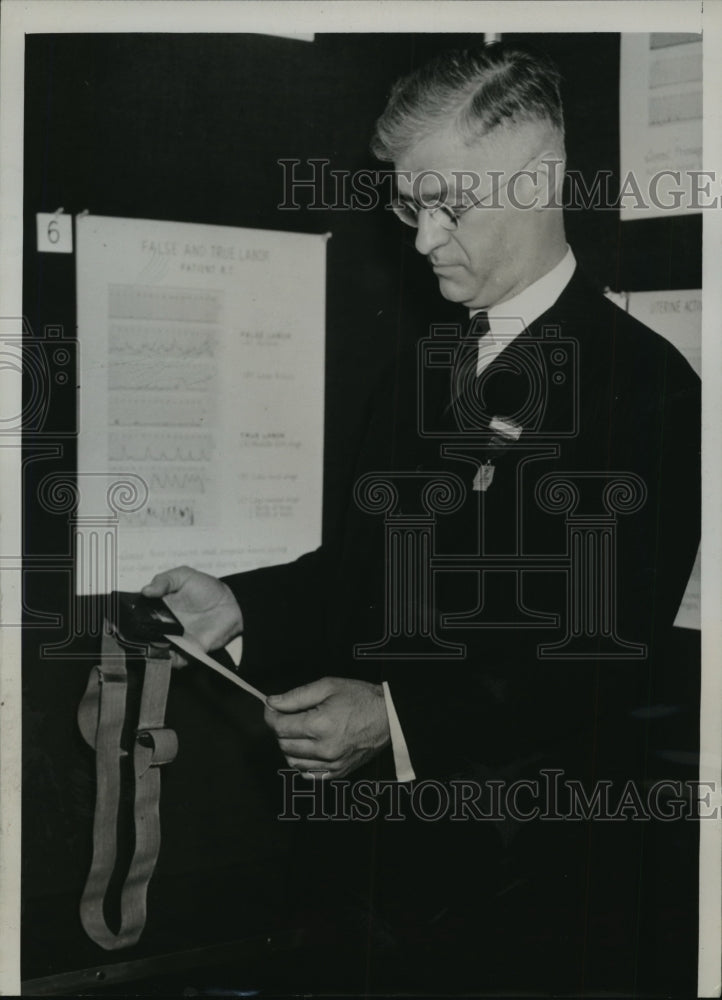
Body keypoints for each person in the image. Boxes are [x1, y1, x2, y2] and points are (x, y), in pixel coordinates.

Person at [142, 43, 700, 992]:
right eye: (409, 204)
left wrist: (392, 714)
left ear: (540, 182)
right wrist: (240, 604)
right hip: (371, 880)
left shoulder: (646, 388)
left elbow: (598, 660)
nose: (422, 238)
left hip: (530, 890)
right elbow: (368, 571)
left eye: (450, 203)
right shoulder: (423, 369)